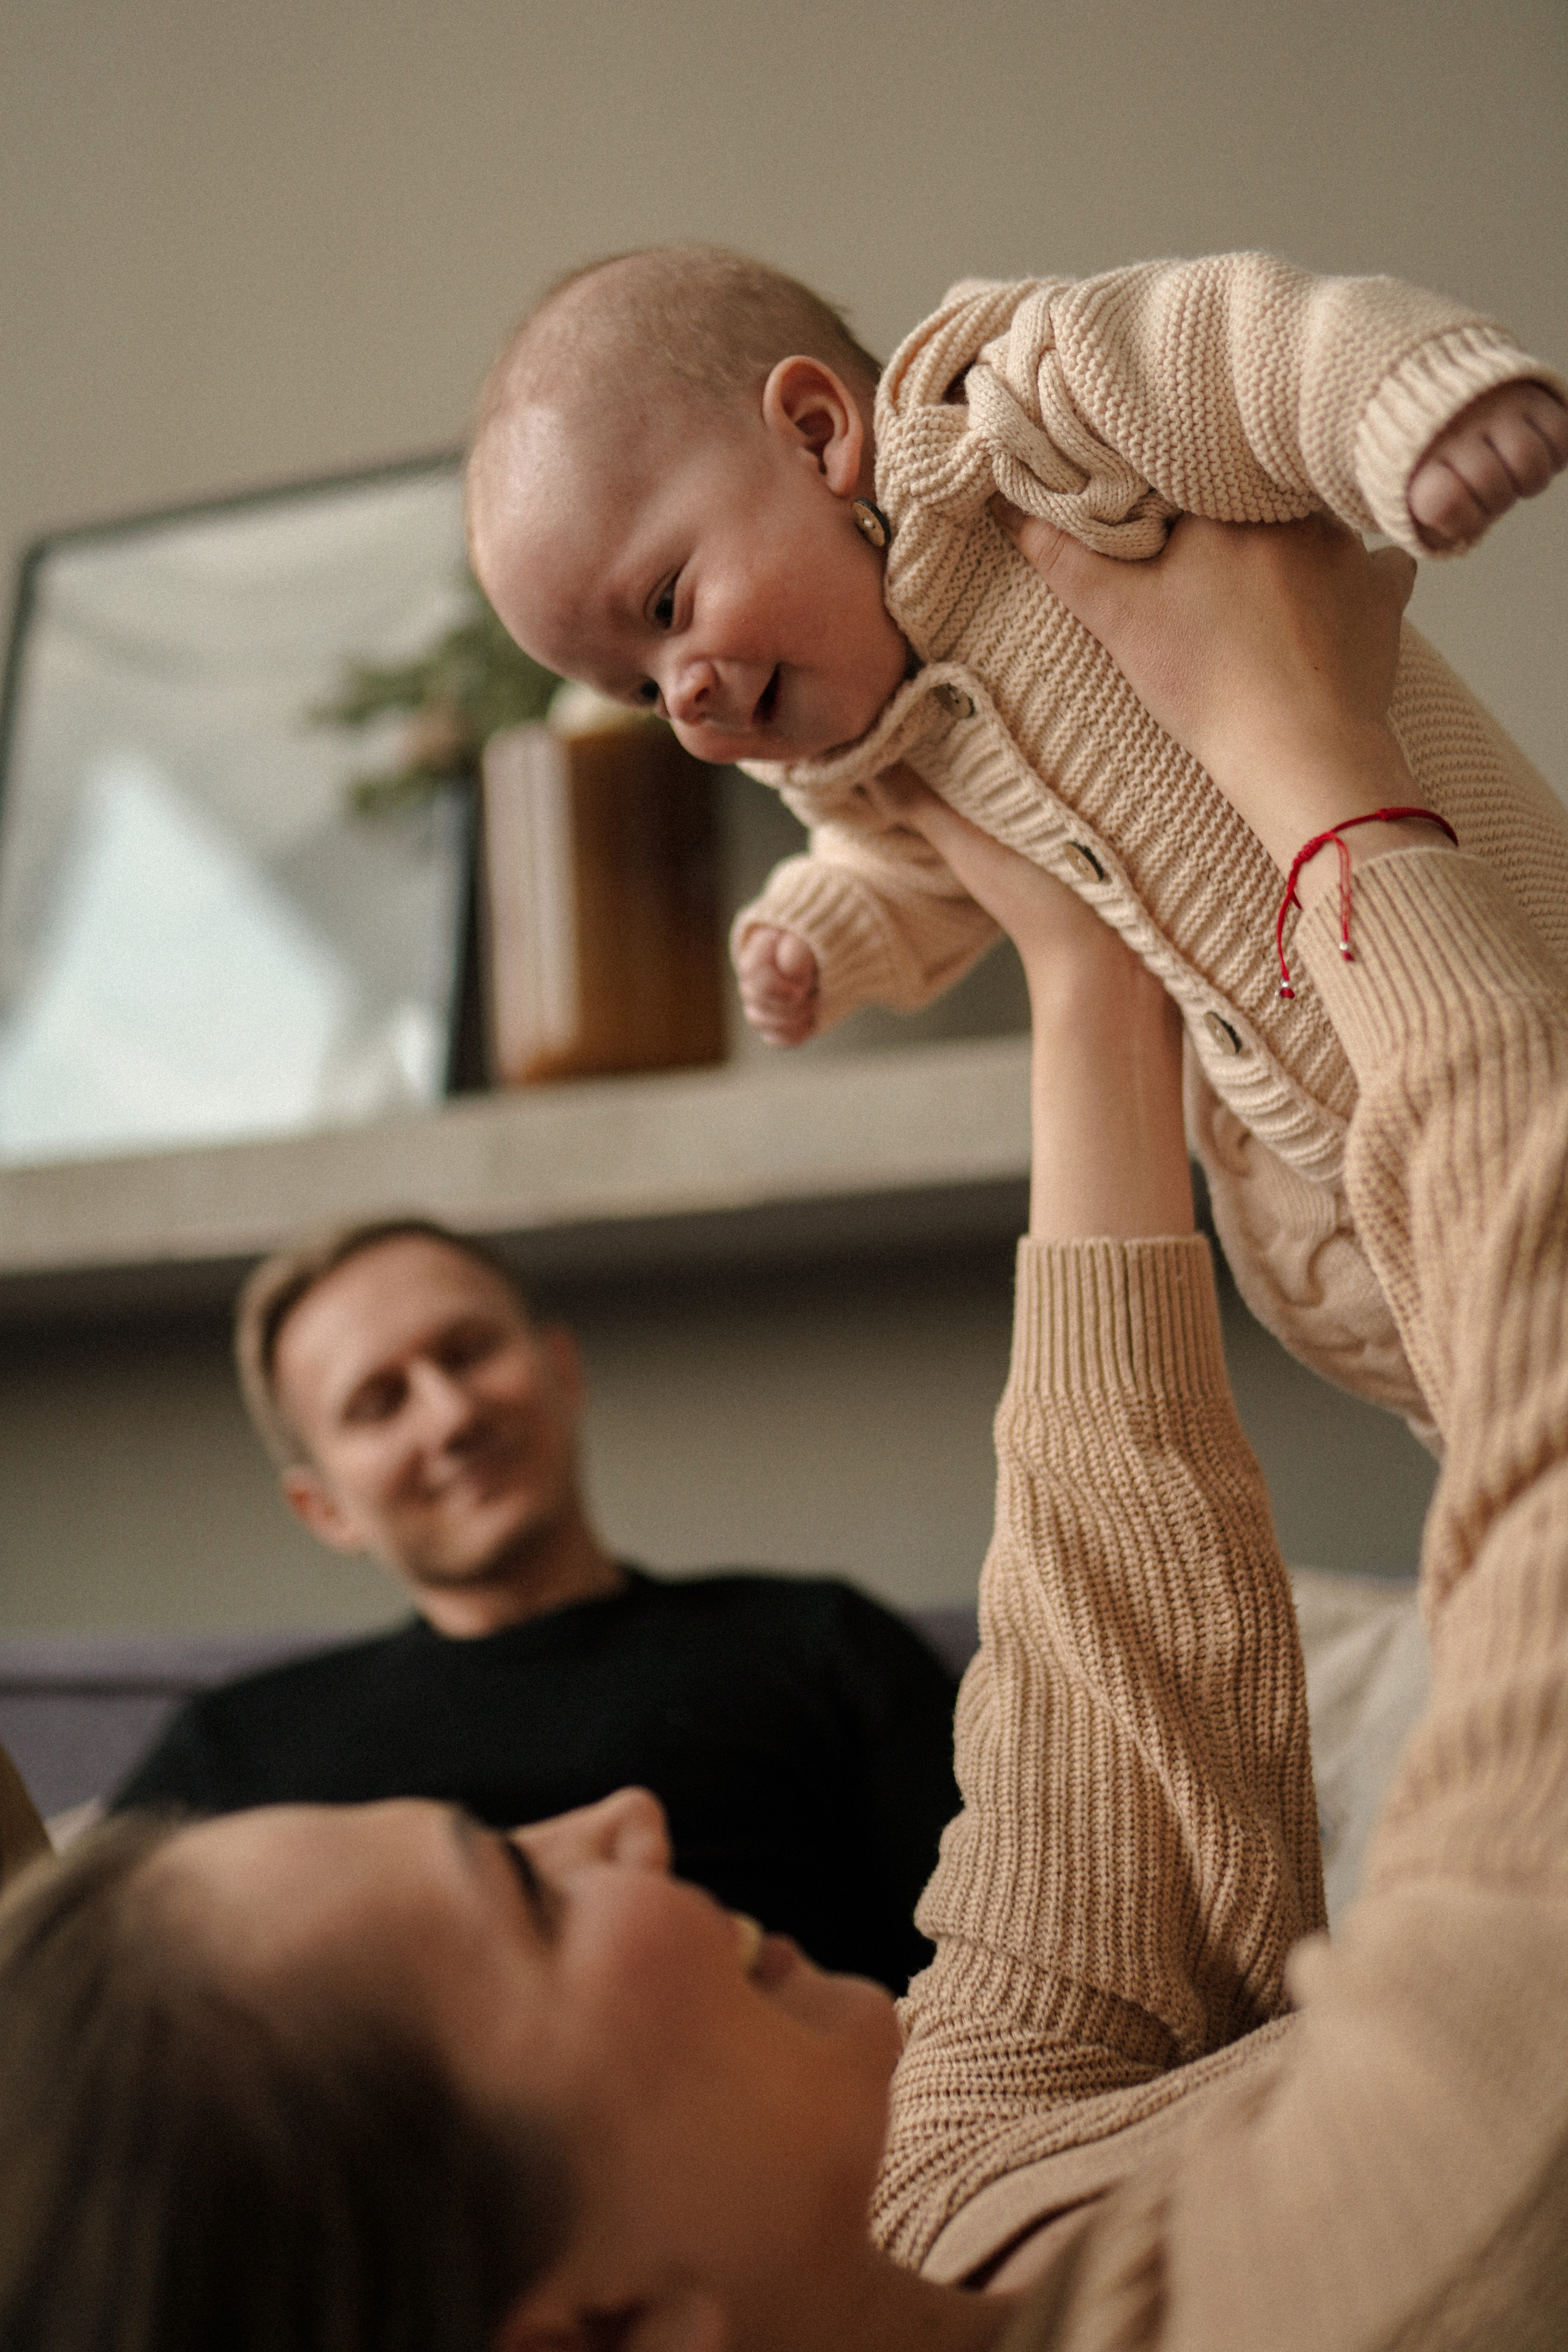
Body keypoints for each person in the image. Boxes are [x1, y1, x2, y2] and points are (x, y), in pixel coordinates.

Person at [3, 511, 1565, 2351]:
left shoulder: (935, 2195)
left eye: (467, 1351)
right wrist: (1310, 752)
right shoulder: (1343, 2278)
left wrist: (1081, 971)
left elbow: (1106, 1704)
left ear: (559, 1365)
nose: (621, 1819)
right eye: (523, 1896)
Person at [466, 244, 1568, 1446]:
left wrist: (1411, 402)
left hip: (1509, 1010)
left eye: (668, 608)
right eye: (636, 691)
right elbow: (910, 876)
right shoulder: (870, 757)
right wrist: (824, 933)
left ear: (815, 431)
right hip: (1384, 1263)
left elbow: (1242, 344)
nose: (681, 699)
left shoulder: (1019, 422)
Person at [113, 1218, 961, 1994]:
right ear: (324, 1509)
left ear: (562, 1367)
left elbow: (997, 1973)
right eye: (379, 1403)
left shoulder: (820, 1644)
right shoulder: (230, 1751)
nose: (450, 1415)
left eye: (469, 1351)